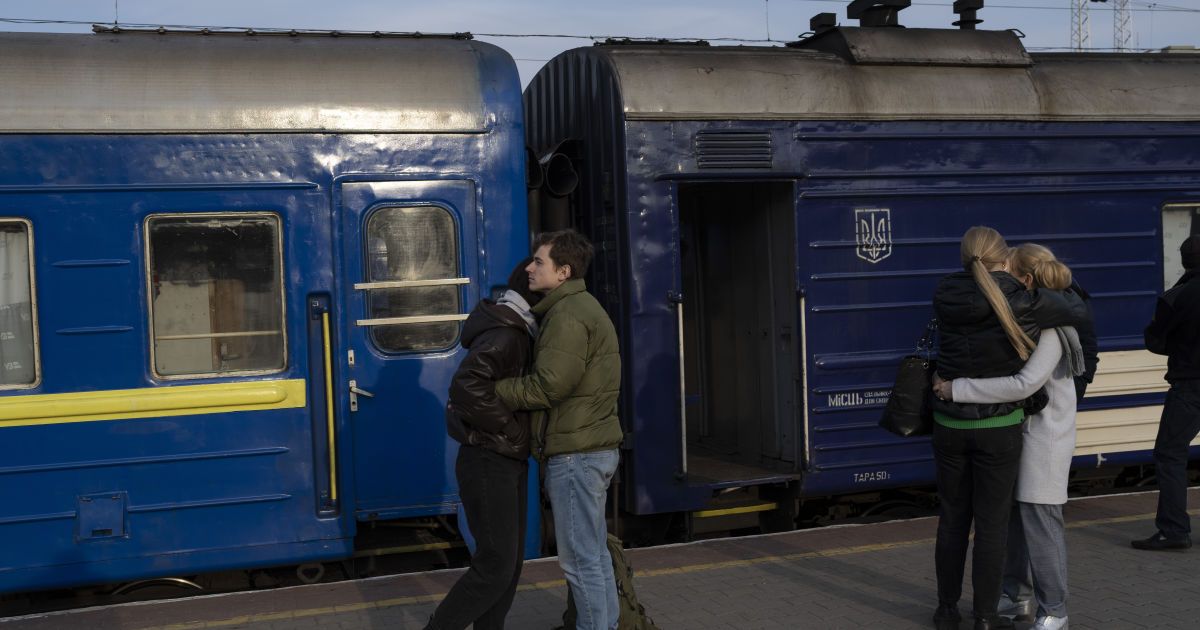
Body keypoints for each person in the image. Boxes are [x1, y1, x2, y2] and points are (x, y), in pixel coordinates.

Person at [930, 226, 1087, 630]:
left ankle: (1054, 610)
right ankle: (1012, 598)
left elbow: (1024, 384)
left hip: (1042, 438)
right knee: (1011, 524)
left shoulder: (1049, 327)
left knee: (1039, 525)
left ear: (1026, 281)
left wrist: (955, 388)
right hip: (1017, 433)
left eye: (1010, 278)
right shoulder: (1024, 315)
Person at [495, 229, 624, 630]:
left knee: (580, 561)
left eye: (539, 262)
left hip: (577, 453)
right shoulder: (579, 307)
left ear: (563, 272)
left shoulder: (567, 316)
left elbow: (550, 385)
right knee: (594, 555)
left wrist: (496, 390)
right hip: (589, 447)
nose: (529, 268)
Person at [425, 259, 541, 630]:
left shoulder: (518, 328)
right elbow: (466, 386)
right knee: (495, 566)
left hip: (503, 457)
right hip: (490, 458)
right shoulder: (509, 333)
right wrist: (511, 429)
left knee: (507, 566)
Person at [1132, 234, 1200, 551]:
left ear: (1185, 261)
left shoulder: (1177, 297)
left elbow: (1155, 341)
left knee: (1170, 455)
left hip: (1190, 385)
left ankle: (1174, 530)